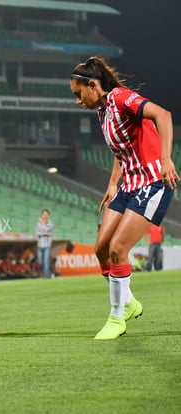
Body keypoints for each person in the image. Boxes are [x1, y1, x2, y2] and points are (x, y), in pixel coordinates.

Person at [70, 56, 179, 339]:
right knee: (101, 249)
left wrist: (166, 158)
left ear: (93, 85)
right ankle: (129, 302)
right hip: (128, 185)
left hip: (153, 183)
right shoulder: (103, 112)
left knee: (119, 248)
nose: (78, 101)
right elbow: (123, 150)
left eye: (79, 94)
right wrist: (112, 183)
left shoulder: (120, 98)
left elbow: (163, 115)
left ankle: (117, 318)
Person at [35, 209, 54, 278]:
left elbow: (48, 229)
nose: (45, 216)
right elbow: (37, 233)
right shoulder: (38, 224)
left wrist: (42, 223)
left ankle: (45, 277)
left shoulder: (51, 223)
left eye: (46, 214)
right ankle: (49, 274)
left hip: (47, 245)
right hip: (40, 244)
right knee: (41, 262)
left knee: (46, 262)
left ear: (48, 216)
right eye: (44, 214)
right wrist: (46, 234)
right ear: (42, 215)